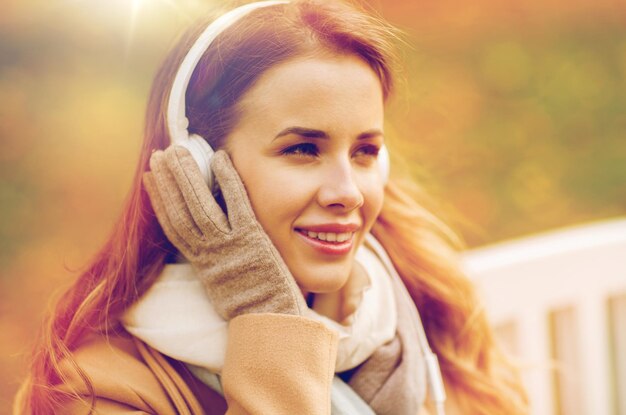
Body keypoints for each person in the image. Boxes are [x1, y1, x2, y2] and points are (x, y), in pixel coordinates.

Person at [14, 0, 529, 414]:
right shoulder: (102, 392)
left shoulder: (413, 313)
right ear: (199, 172)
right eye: (302, 149)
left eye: (365, 151)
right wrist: (266, 315)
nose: (348, 192)